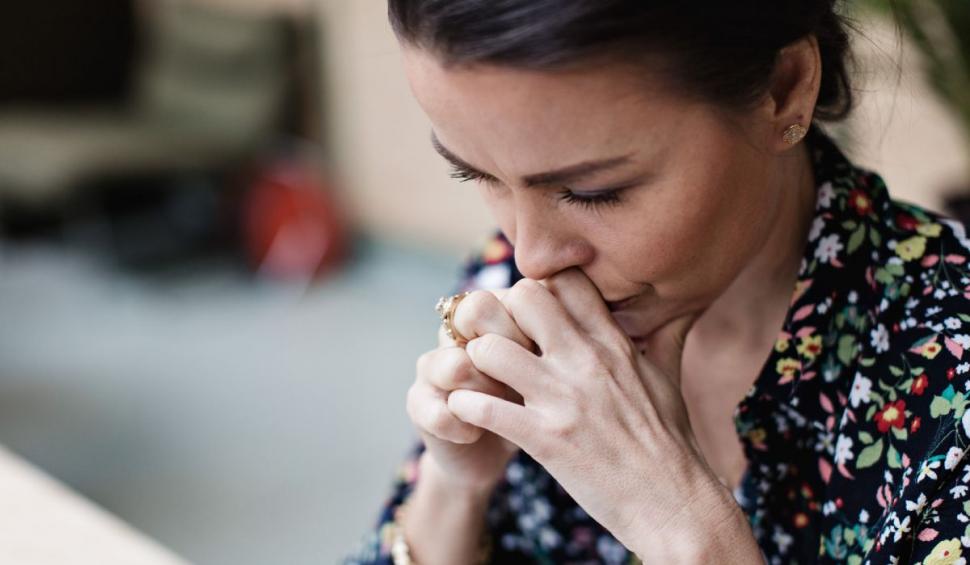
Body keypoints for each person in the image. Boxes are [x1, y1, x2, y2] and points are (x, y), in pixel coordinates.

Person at [346, 2, 970, 563]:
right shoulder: (507, 278)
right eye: (473, 174)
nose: (531, 257)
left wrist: (682, 527)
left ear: (783, 89)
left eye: (595, 192)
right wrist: (454, 488)